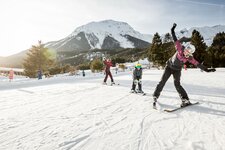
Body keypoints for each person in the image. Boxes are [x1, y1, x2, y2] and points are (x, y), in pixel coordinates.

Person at [153, 23, 216, 108]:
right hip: (169, 67)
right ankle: (155, 96)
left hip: (177, 70)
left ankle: (185, 99)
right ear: (185, 49)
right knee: (162, 82)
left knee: (177, 84)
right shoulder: (180, 48)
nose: (186, 52)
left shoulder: (190, 58)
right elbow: (175, 38)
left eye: (189, 52)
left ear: (190, 53)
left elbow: (198, 64)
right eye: (186, 50)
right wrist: (172, 30)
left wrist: (207, 70)